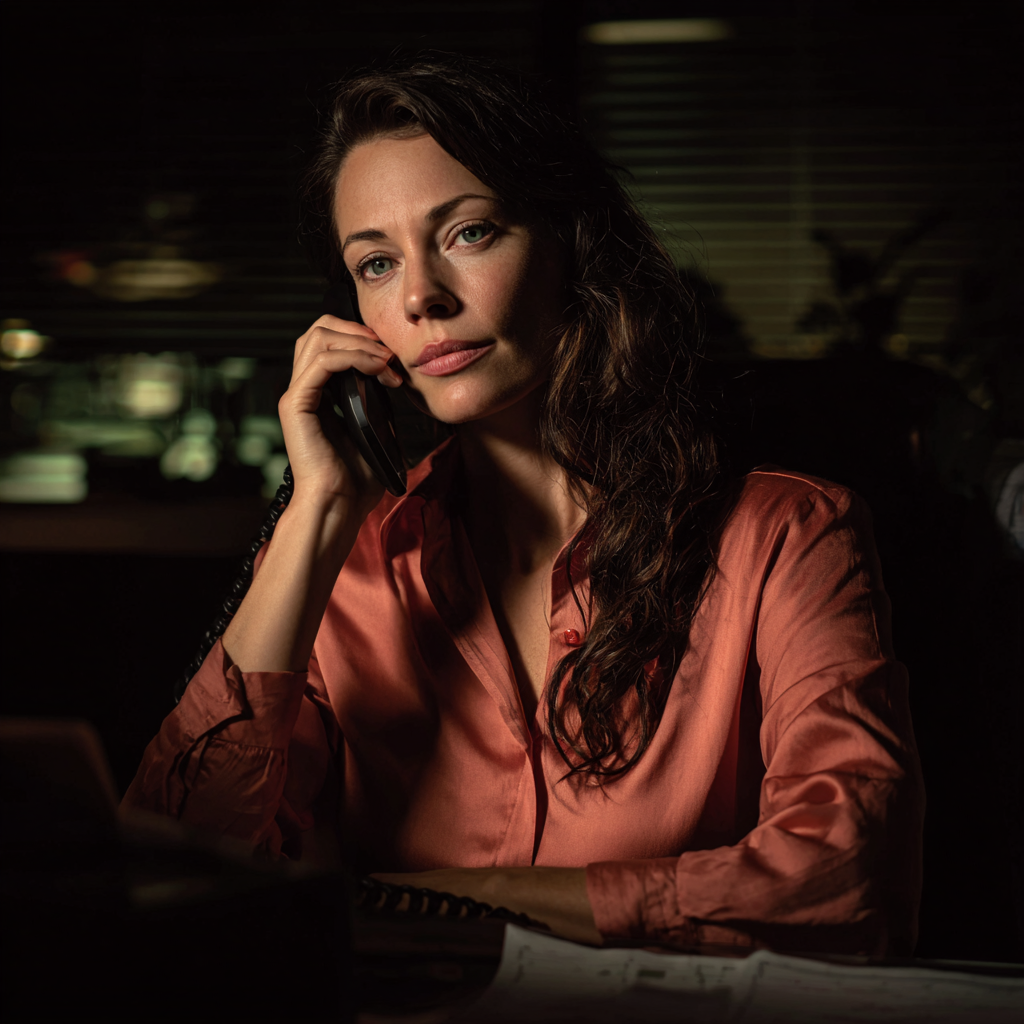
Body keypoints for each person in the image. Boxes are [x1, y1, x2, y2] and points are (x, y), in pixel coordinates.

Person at [124, 56, 924, 955]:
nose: (421, 296)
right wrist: (314, 512)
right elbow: (163, 870)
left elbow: (846, 873)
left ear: (569, 245)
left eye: (468, 233)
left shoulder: (784, 534)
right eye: (377, 263)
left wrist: (445, 902)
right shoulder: (344, 567)